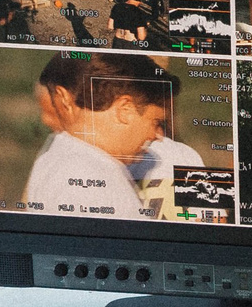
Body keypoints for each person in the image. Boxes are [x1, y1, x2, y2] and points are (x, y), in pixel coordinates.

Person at [24, 54, 185, 220]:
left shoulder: (56, 156)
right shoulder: (94, 182)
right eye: (156, 122)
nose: (158, 135)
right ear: (125, 110)